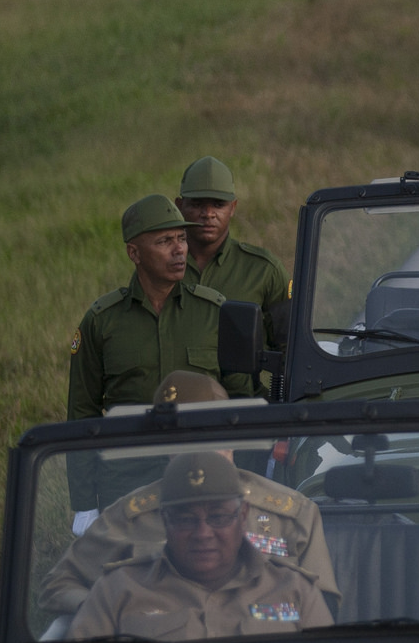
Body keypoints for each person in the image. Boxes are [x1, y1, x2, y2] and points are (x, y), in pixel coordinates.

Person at [45, 373, 337, 618]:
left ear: (229, 431)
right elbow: (59, 585)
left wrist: (255, 619)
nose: (191, 448)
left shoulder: (291, 513)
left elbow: (322, 609)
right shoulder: (130, 516)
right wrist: (112, 613)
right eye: (177, 437)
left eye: (204, 431)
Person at [67, 452, 333, 642]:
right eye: (186, 519)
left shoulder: (295, 591)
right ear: (164, 520)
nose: (203, 534)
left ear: (242, 518)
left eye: (218, 517)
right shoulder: (116, 593)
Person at [68, 195, 231, 443]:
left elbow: (243, 400)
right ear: (134, 253)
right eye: (164, 241)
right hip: (128, 472)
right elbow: (82, 415)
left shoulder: (215, 312)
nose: (179, 250)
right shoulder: (102, 321)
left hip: (200, 465)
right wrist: (89, 482)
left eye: (182, 239)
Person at [176, 156, 289, 381]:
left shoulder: (263, 270)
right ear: (179, 206)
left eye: (218, 205)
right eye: (197, 204)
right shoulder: (161, 267)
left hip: (240, 406)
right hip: (173, 401)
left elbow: (291, 351)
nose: (208, 214)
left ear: (233, 208)